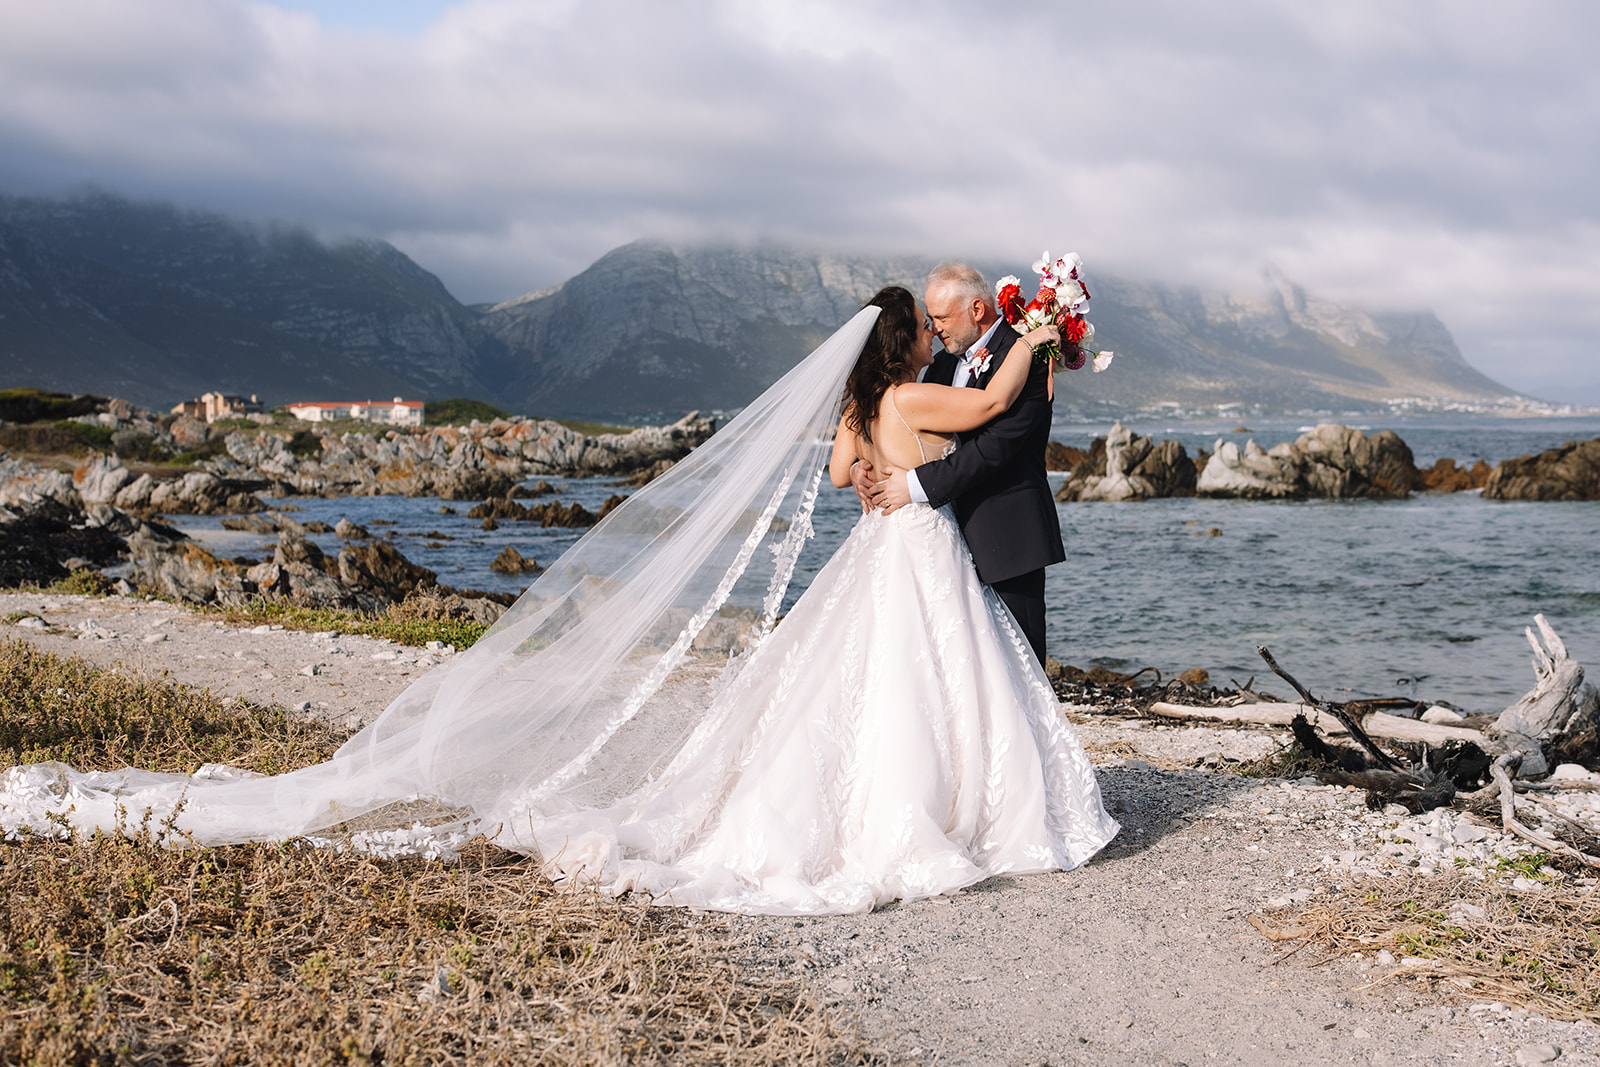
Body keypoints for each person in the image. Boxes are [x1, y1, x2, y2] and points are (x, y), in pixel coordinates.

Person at [0, 289, 1116, 916]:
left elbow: (835, 481)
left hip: (876, 544)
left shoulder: (855, 409)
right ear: (908, 344)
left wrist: (876, 455)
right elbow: (1004, 404)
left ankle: (904, 799)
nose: (935, 336)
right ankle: (954, 808)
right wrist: (1036, 335)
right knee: (938, 678)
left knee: (866, 682)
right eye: (925, 327)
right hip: (915, 543)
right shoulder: (925, 390)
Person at [857, 262, 1064, 667]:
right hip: (945, 543)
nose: (933, 328)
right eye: (929, 319)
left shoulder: (1028, 358)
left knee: (1019, 665)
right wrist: (860, 467)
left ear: (977, 309)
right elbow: (901, 428)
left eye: (941, 317)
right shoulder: (940, 366)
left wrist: (915, 484)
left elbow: (993, 449)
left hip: (1005, 534)